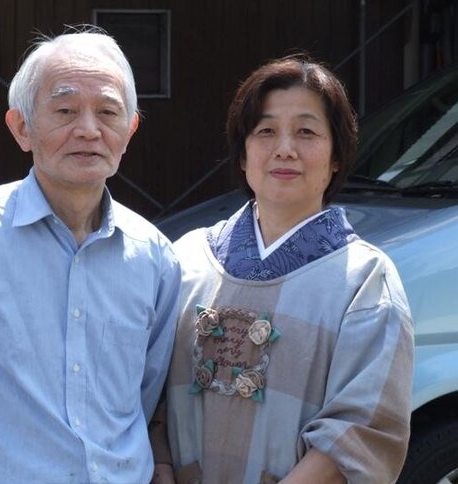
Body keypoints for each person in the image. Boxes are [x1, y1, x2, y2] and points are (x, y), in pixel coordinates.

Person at [0, 28, 182, 483]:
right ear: (22, 128)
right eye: (65, 110)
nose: (88, 129)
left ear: (129, 131)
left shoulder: (155, 256)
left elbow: (144, 390)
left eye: (108, 112)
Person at [151, 56, 414, 484]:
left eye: (306, 132)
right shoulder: (186, 260)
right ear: (243, 154)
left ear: (335, 157)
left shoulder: (365, 280)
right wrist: (161, 466)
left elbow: (364, 428)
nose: (284, 148)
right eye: (266, 130)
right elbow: (150, 395)